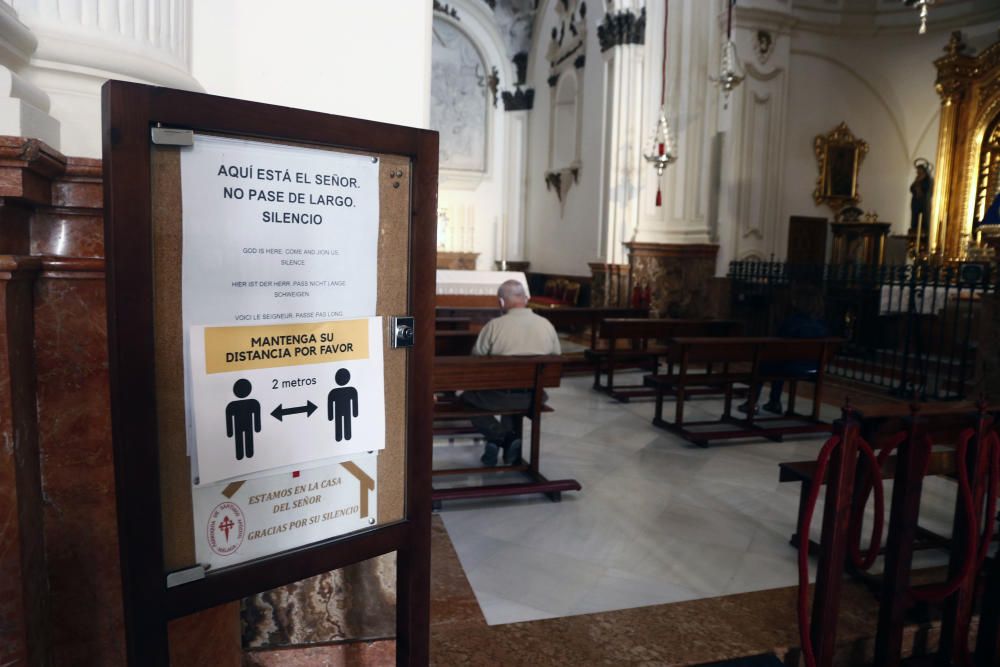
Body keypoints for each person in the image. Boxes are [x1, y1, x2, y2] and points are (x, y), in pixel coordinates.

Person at [462, 279, 561, 466]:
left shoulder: (494, 326)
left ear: (501, 302)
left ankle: (502, 438)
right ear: (526, 299)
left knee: (467, 400)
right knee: (511, 400)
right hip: (535, 396)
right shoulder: (546, 324)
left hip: (498, 395)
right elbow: (556, 357)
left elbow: (476, 361)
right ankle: (509, 449)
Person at [739, 287, 829, 415]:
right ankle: (774, 402)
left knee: (764, 365)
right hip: (814, 368)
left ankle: (753, 402)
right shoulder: (822, 325)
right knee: (780, 361)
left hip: (790, 366)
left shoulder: (792, 321)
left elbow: (778, 344)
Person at [909, 163, 933, 236]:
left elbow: (927, 189)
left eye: (919, 170)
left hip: (923, 202)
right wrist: (916, 185)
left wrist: (919, 187)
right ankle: (914, 230)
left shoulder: (927, 179)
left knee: (923, 218)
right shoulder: (917, 179)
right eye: (917, 170)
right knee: (915, 218)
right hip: (915, 202)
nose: (918, 172)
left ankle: (922, 232)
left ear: (923, 170)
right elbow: (911, 188)